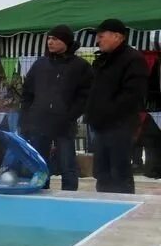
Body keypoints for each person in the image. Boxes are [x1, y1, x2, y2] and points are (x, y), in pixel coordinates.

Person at [19, 25, 93, 191]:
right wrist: (27, 117)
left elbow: (85, 96)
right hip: (39, 123)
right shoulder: (40, 64)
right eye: (49, 38)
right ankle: (40, 194)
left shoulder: (80, 66)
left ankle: (69, 199)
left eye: (55, 39)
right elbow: (27, 93)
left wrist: (70, 115)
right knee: (39, 165)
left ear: (65, 42)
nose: (50, 42)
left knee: (68, 165)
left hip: (64, 124)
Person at [86, 18, 149, 193]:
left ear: (117, 36)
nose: (98, 41)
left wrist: (107, 113)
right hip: (100, 126)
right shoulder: (103, 60)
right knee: (101, 171)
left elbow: (132, 95)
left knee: (119, 171)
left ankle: (123, 208)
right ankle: (104, 205)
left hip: (120, 126)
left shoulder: (133, 59)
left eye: (101, 36)